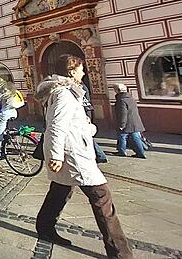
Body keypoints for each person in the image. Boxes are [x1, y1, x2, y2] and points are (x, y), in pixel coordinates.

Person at [34, 56, 133, 258]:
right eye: (81, 69)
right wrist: (55, 156)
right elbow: (56, 126)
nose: (84, 72)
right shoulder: (64, 94)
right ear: (71, 72)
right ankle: (119, 252)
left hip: (72, 149)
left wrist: (88, 128)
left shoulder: (67, 92)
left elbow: (71, 123)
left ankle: (44, 227)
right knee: (102, 197)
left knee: (60, 189)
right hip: (73, 153)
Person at [0, 78, 24, 166]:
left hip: (4, 115)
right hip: (13, 113)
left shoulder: (4, 94)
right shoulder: (14, 93)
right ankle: (5, 139)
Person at [114, 84, 147, 159]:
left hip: (127, 122)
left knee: (122, 136)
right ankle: (141, 153)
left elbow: (123, 114)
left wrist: (122, 125)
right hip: (135, 121)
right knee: (136, 137)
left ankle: (121, 151)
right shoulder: (131, 98)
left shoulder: (121, 100)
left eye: (115, 89)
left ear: (118, 90)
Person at [82, 84, 108, 163]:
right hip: (87, 112)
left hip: (84, 114)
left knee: (86, 136)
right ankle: (100, 155)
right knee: (87, 136)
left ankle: (100, 155)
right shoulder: (82, 88)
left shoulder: (80, 88)